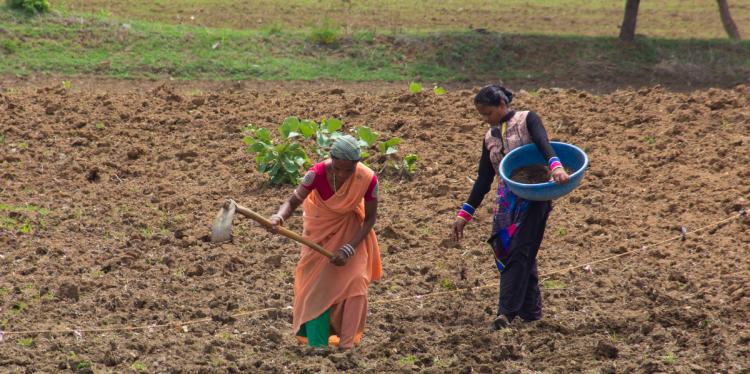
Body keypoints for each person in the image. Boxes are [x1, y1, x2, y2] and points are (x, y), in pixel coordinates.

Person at [452, 85, 570, 330]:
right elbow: (484, 179)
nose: (486, 120)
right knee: (507, 250)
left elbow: (544, 144)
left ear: (502, 105)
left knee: (520, 251)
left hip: (534, 195)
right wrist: (465, 214)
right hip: (506, 202)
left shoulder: (527, 119)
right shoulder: (489, 137)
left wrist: (556, 166)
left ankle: (505, 313)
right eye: (482, 116)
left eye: (488, 114)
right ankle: (531, 311)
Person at [268, 135, 382, 350]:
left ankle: (347, 346)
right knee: (317, 288)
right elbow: (293, 201)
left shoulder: (367, 179)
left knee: (357, 281)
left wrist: (349, 249)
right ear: (331, 160)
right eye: (338, 168)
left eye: (349, 170)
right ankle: (317, 344)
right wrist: (279, 217)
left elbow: (370, 220)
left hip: (351, 235)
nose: (343, 174)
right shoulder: (317, 173)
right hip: (318, 236)